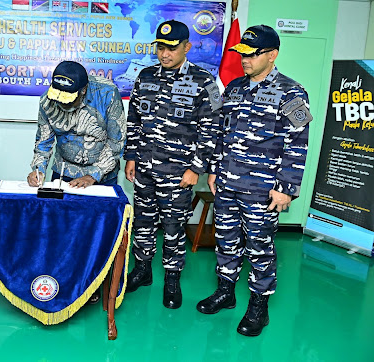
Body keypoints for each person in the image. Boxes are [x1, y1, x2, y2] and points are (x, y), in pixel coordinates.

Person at [197, 25, 311, 336]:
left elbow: (298, 143)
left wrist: (286, 188)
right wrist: (214, 170)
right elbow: (222, 133)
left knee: (260, 247)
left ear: (272, 55)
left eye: (252, 54)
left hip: (262, 189)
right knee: (226, 240)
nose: (244, 60)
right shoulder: (234, 88)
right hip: (227, 183)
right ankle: (226, 292)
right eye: (242, 54)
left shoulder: (292, 92)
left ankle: (259, 306)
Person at [124, 20, 221, 310]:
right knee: (143, 221)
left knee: (173, 226)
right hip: (144, 167)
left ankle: (172, 278)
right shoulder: (145, 76)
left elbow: (211, 129)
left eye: (171, 48)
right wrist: (131, 156)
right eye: (160, 48)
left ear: (187, 47)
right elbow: (134, 120)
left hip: (178, 172)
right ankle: (142, 269)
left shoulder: (203, 81)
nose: (164, 54)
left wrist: (196, 169)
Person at [27, 60, 126, 189]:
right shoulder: (48, 100)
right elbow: (43, 142)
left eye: (67, 100)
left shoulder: (108, 94)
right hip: (63, 172)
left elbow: (116, 141)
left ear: (83, 90)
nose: (62, 103)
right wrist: (38, 170)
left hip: (103, 174)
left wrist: (92, 176)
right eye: (59, 99)